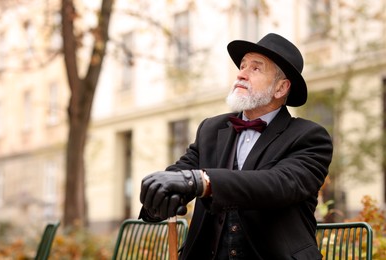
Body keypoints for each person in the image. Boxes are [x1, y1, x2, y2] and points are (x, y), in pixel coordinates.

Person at [139, 33, 333, 259]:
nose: (241, 74)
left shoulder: (310, 137)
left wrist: (201, 182)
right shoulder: (210, 129)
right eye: (242, 66)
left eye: (255, 69)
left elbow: (278, 185)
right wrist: (159, 196)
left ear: (281, 88)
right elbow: (181, 174)